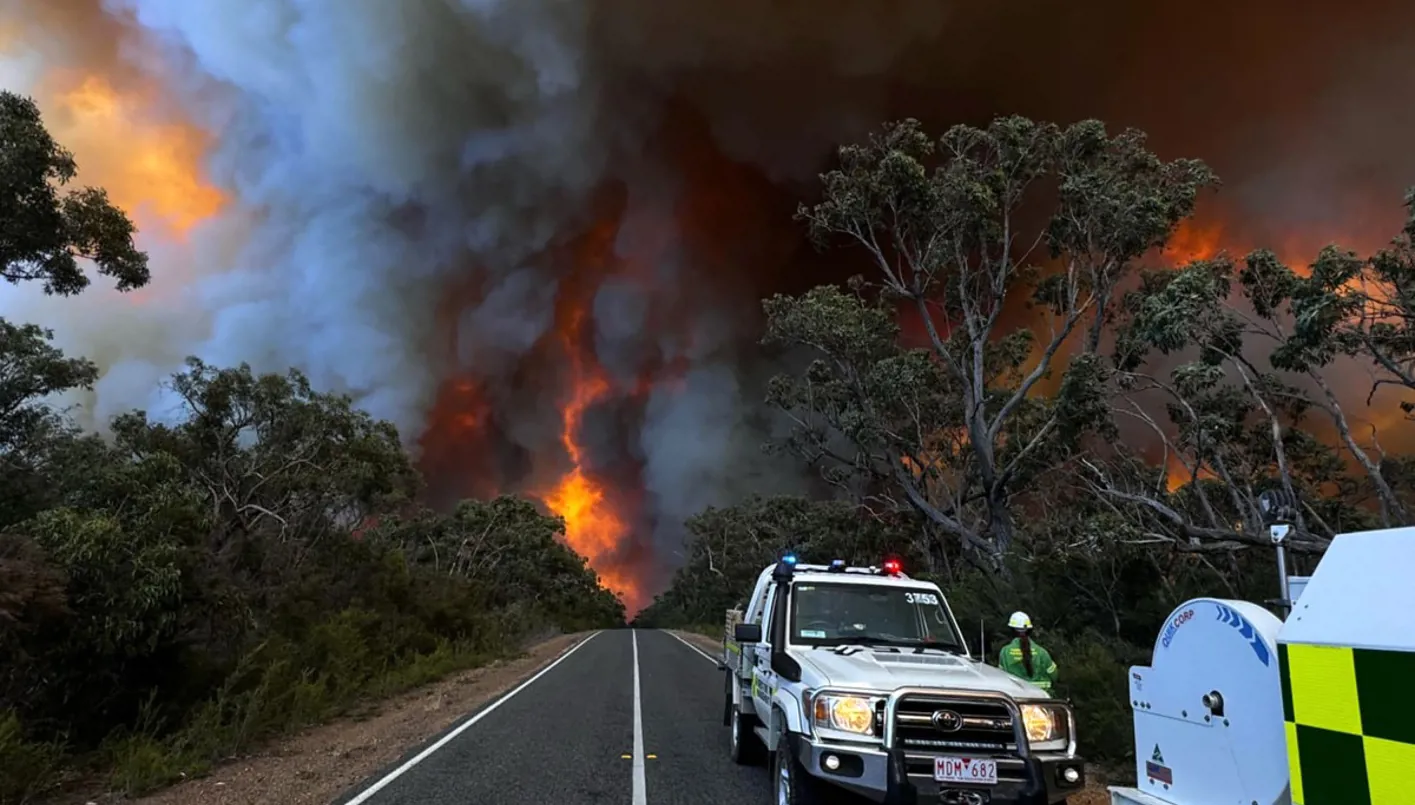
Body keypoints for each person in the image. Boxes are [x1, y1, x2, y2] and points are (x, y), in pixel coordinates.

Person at [997, 611, 1058, 692]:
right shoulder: (1042, 652)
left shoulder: (1005, 652)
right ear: (1030, 630)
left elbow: (1001, 677)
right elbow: (1054, 675)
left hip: (1015, 699)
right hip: (1042, 699)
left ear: (1011, 630)